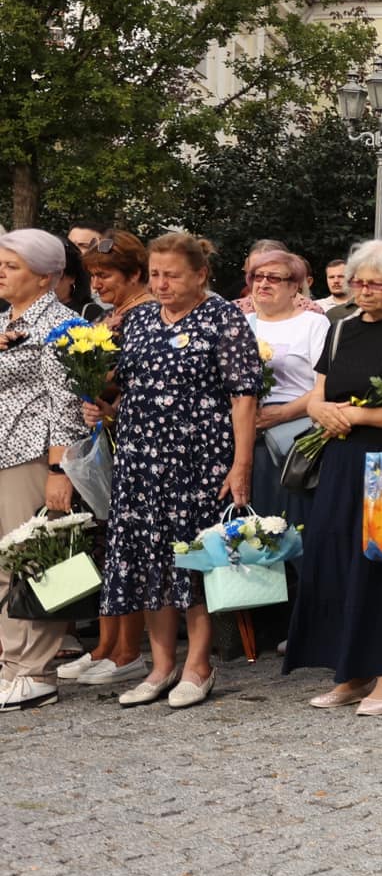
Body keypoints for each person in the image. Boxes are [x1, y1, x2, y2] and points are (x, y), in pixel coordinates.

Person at [96, 233, 259, 709]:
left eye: (173, 275)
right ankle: (161, 666)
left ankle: (199, 664)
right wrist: (100, 404)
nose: (161, 284)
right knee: (150, 559)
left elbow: (243, 395)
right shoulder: (141, 317)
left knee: (192, 559)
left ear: (201, 275)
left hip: (199, 457)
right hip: (141, 457)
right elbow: (126, 384)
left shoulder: (223, 317)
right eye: (155, 274)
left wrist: (241, 464)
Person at [285, 240, 382, 714]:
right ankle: (350, 671)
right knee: (336, 561)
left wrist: (358, 415)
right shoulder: (341, 329)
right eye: (358, 282)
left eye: (375, 283)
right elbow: (316, 395)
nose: (364, 291)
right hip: (341, 461)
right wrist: (323, 410)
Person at [54, 233, 153, 687]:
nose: (96, 283)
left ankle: (128, 649)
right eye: (93, 274)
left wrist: (108, 398)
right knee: (111, 544)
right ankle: (106, 645)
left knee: (127, 545)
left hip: (135, 439)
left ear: (135, 274)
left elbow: (140, 384)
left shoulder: (146, 315)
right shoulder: (113, 316)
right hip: (110, 432)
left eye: (106, 274)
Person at [0, 230, 92, 711]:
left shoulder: (58, 325)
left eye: (11, 266)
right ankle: (12, 663)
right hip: (2, 452)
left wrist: (59, 469)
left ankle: (35, 671)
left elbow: (65, 406)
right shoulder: (6, 319)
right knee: (3, 566)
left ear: (44, 277)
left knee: (34, 563)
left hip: (33, 454)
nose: (0, 271)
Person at [243, 249, 329, 530]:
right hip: (247, 437)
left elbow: (324, 386)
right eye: (258, 277)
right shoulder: (242, 325)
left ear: (295, 286)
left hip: (296, 438)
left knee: (293, 523)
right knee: (253, 525)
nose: (263, 283)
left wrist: (280, 414)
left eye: (274, 278)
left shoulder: (313, 324)